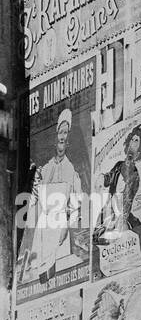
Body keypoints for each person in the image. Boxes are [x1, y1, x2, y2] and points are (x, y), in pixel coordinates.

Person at [21, 108, 84, 286]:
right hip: (44, 224)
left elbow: (75, 203)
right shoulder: (45, 169)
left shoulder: (71, 170)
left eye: (66, 132)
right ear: (56, 137)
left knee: (56, 268)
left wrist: (66, 225)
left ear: (69, 139)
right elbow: (33, 201)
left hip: (59, 224)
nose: (62, 137)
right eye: (60, 132)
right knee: (40, 269)